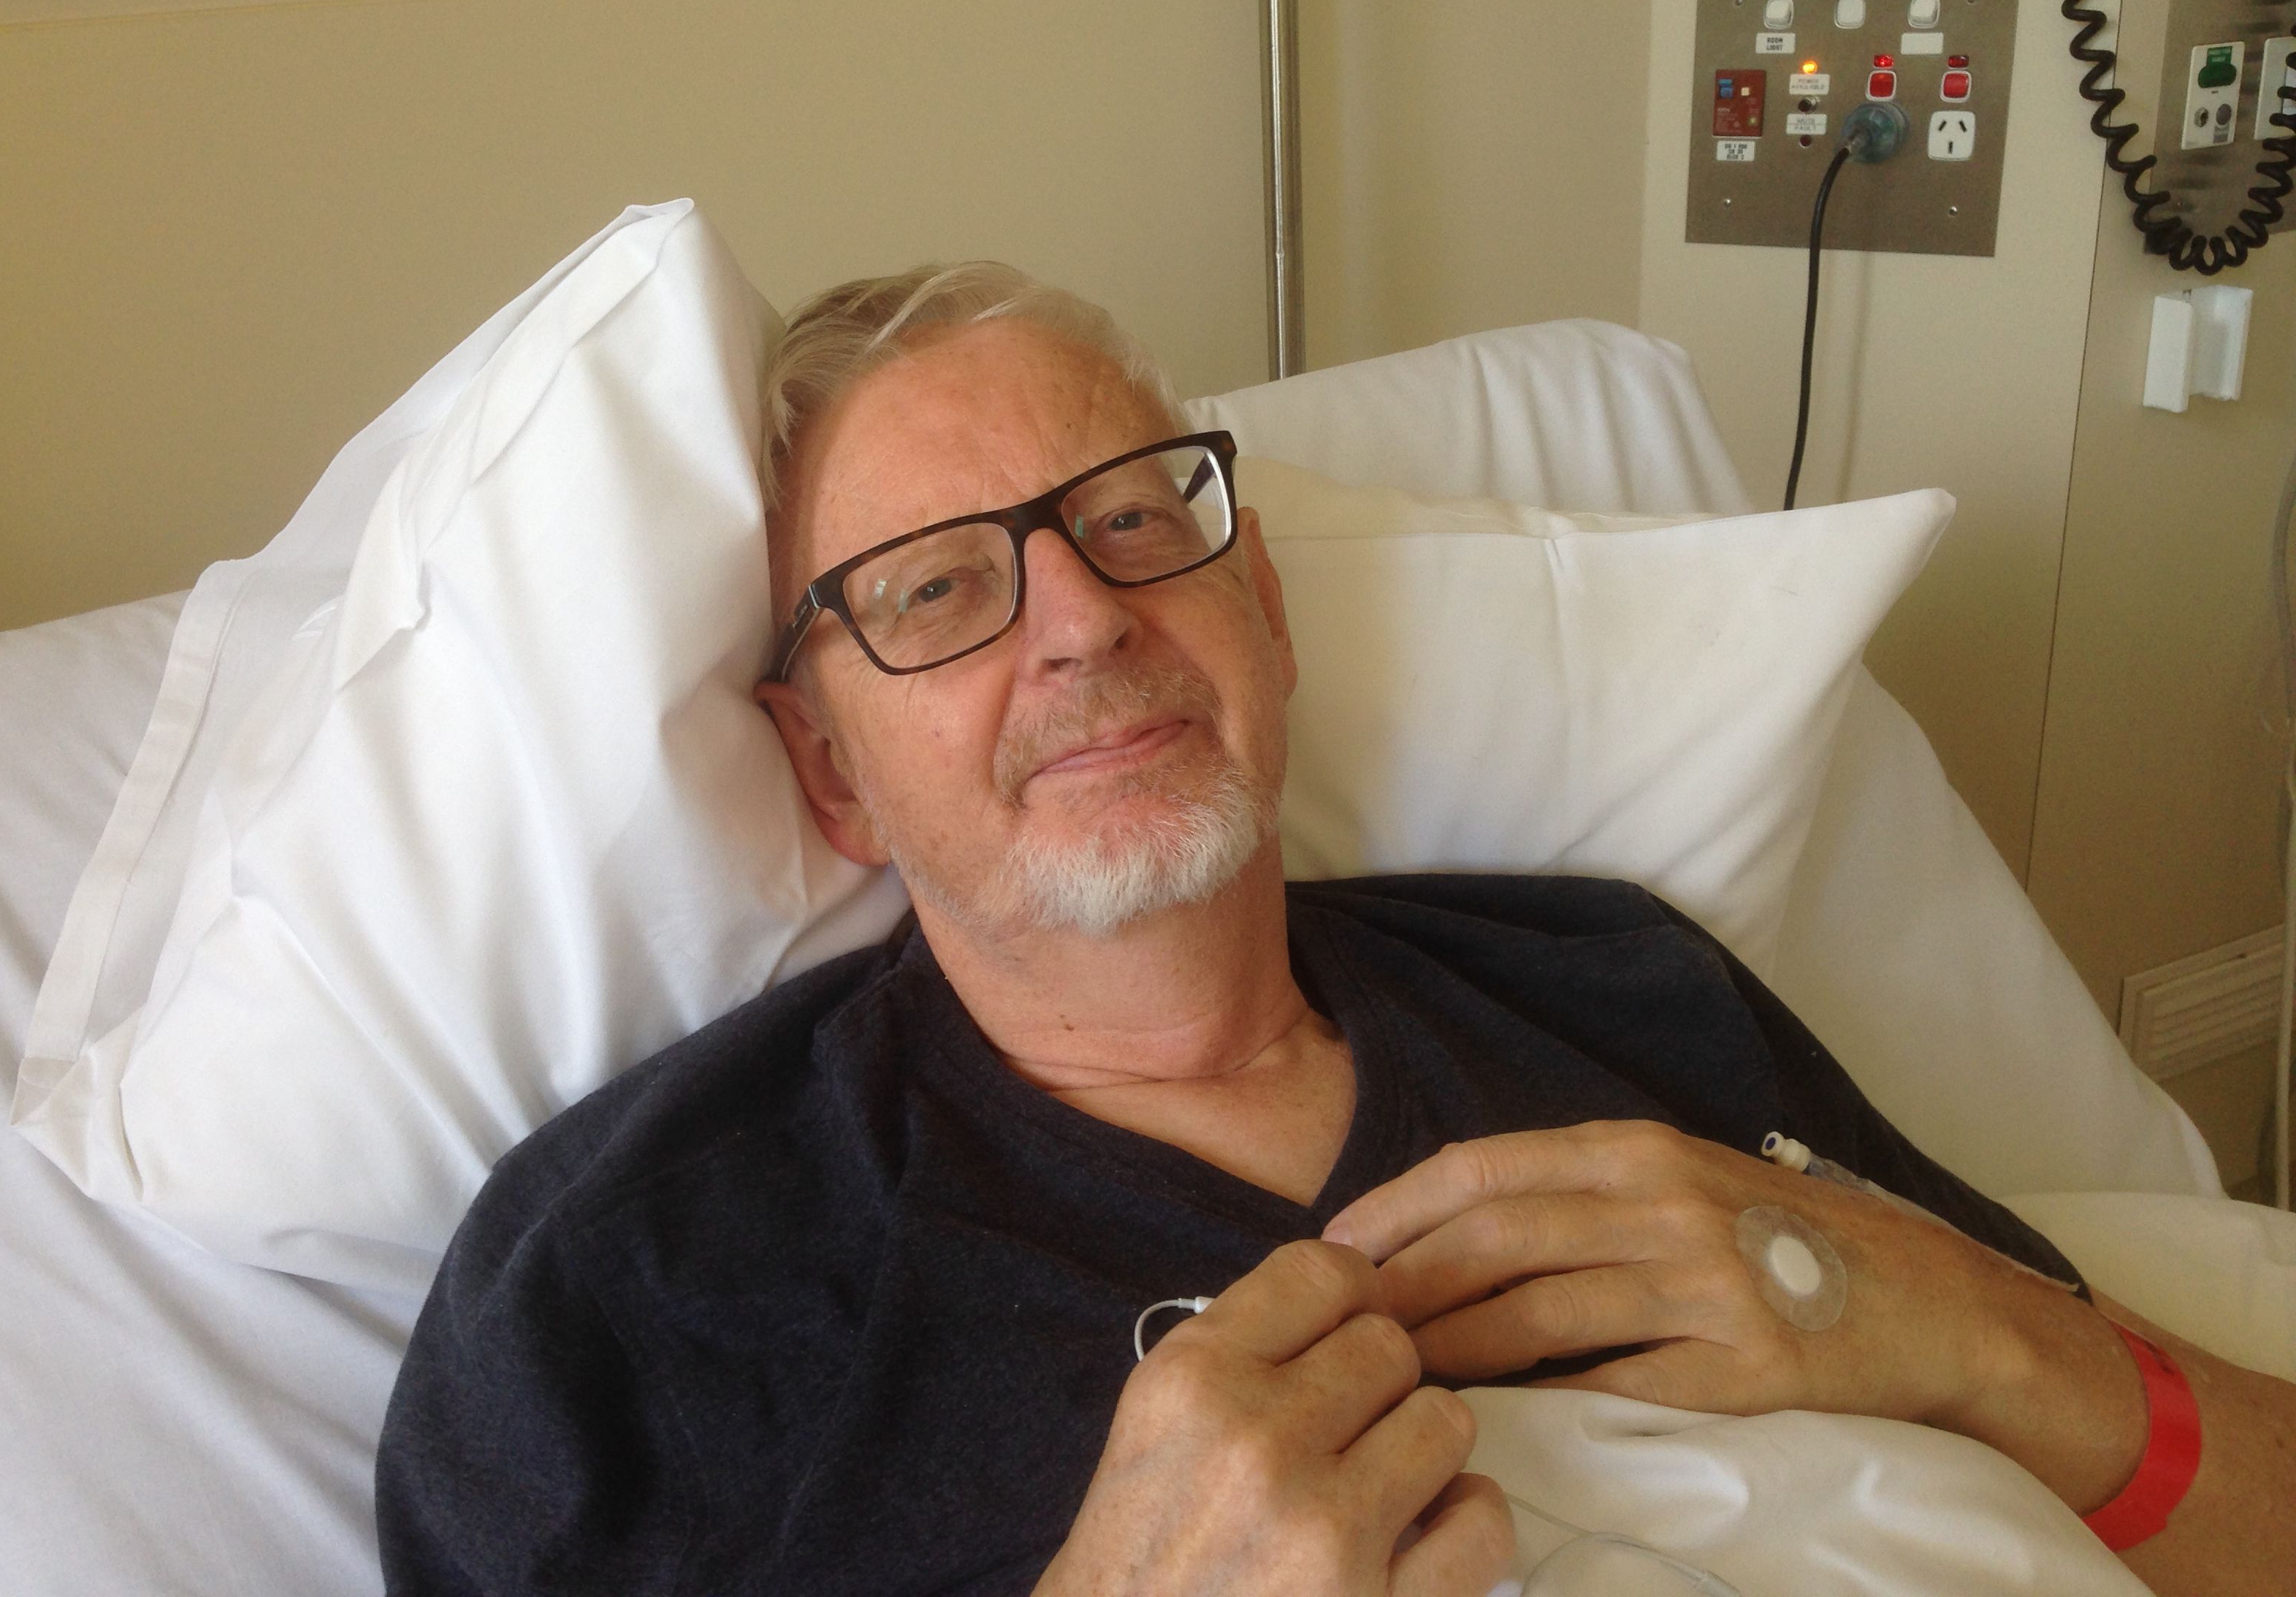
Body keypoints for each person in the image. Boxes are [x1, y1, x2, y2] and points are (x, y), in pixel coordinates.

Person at [376, 263, 2296, 1597]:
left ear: (1263, 613)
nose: (1083, 618)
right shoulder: (630, 1293)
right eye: (940, 590)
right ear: (833, 775)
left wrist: (1955, 1323)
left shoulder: (1616, 983)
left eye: (1137, 518)